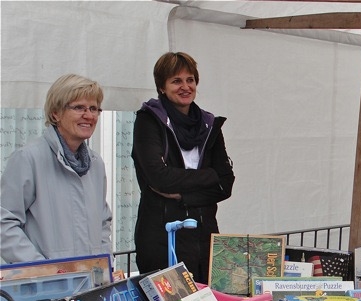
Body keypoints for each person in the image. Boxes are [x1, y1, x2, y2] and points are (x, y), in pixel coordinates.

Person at [132, 52, 235, 283]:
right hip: (161, 241)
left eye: (190, 80)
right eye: (176, 81)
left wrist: (182, 196)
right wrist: (208, 176)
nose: (185, 87)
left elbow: (225, 183)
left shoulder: (210, 125)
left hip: (205, 241)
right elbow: (158, 178)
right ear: (162, 87)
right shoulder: (148, 121)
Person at [0, 74, 112, 263]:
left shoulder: (96, 164)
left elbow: (103, 222)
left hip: (90, 278)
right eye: (79, 107)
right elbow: (4, 223)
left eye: (94, 108)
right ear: (55, 114)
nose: (89, 115)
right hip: (46, 280)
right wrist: (43, 269)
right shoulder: (28, 159)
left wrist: (103, 264)